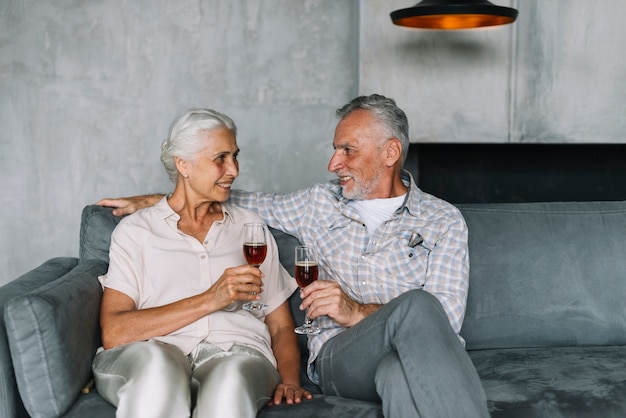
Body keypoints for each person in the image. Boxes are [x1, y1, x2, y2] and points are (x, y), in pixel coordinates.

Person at [98, 95, 489, 417]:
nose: (333, 164)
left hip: (413, 351)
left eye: (347, 151)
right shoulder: (317, 203)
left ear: (390, 153)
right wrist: (160, 202)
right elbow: (233, 200)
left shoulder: (443, 220)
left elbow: (445, 319)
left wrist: (354, 310)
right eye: (335, 150)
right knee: (417, 307)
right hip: (342, 355)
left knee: (398, 373)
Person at [92, 108, 311, 418]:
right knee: (157, 370)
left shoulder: (251, 229)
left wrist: (290, 380)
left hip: (239, 352)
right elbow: (114, 331)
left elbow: (280, 324)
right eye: (220, 159)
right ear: (183, 164)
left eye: (235, 156)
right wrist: (211, 299)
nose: (234, 170)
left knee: (230, 382)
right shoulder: (137, 231)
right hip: (154, 348)